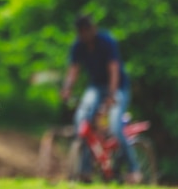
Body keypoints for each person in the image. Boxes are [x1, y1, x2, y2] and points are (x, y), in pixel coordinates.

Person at [60, 15, 141, 184]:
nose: (84, 34)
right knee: (82, 122)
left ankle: (134, 169)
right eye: (81, 31)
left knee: (116, 127)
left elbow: (114, 69)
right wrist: (67, 89)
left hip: (118, 87)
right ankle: (85, 170)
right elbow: (73, 70)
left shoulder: (106, 42)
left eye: (87, 30)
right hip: (96, 87)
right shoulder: (78, 46)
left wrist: (112, 96)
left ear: (93, 29)